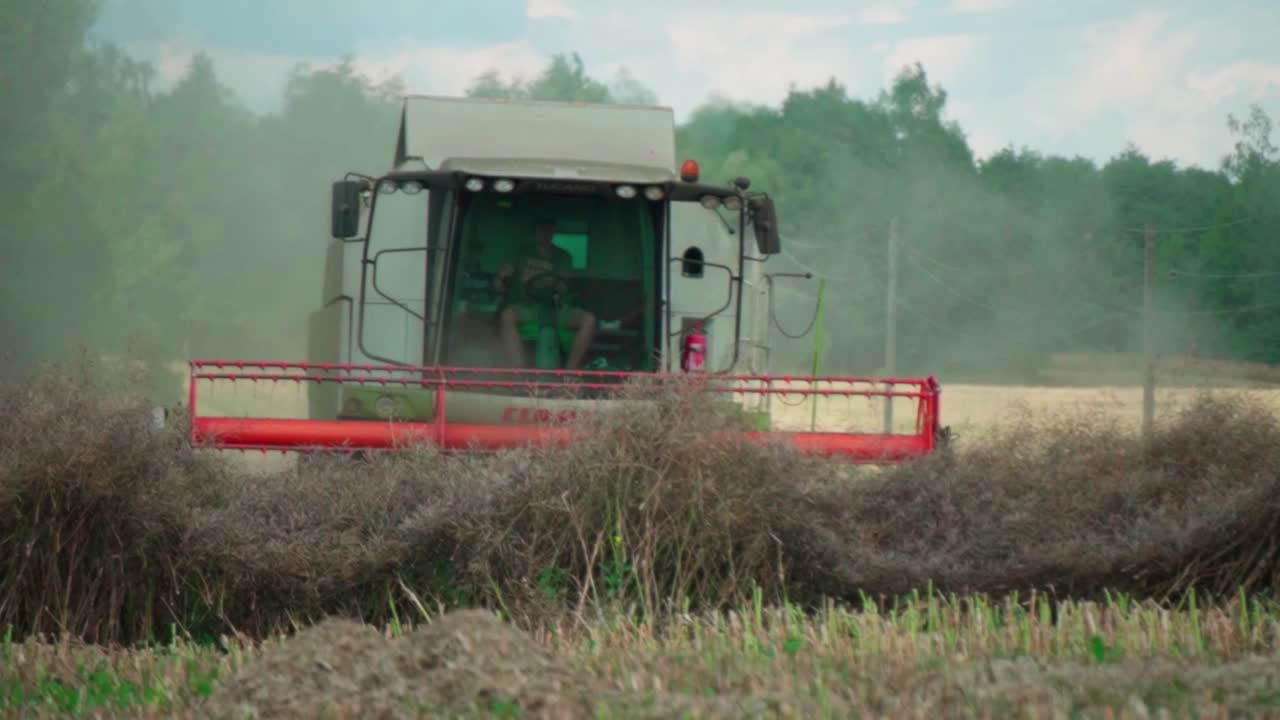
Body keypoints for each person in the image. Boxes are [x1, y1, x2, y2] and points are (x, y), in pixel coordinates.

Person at [493, 221, 596, 369]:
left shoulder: (563, 256)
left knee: (589, 320)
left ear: (553, 232)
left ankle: (569, 372)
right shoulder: (521, 253)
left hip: (557, 309)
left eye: (548, 229)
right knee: (507, 315)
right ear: (535, 232)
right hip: (528, 307)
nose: (544, 234)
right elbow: (501, 279)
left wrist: (547, 282)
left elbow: (564, 285)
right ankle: (518, 372)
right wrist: (500, 278)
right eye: (541, 229)